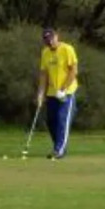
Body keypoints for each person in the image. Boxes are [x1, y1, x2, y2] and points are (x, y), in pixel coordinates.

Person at [36, 27, 79, 160]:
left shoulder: (67, 49)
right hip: (51, 93)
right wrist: (40, 93)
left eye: (51, 39)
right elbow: (44, 74)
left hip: (67, 93)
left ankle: (58, 150)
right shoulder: (45, 53)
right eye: (46, 40)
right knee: (51, 121)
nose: (49, 42)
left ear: (57, 37)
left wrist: (63, 89)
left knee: (62, 120)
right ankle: (59, 148)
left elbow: (73, 71)